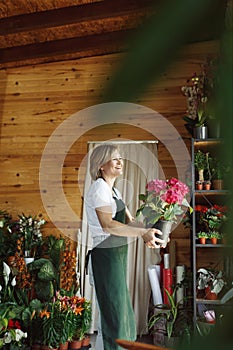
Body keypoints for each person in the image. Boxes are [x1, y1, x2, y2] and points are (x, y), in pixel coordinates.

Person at [85, 143, 164, 350]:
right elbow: (108, 224)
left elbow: (130, 222)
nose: (120, 162)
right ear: (101, 165)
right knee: (115, 315)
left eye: (121, 158)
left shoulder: (114, 191)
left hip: (117, 255)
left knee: (124, 313)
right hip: (105, 255)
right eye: (114, 158)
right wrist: (142, 233)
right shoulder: (99, 188)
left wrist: (154, 234)